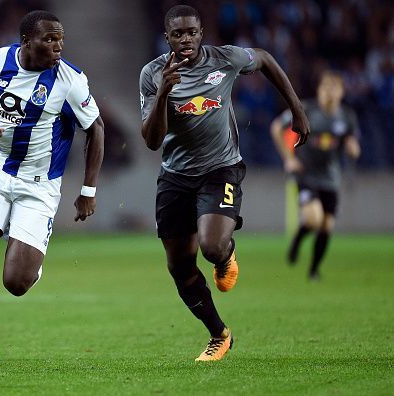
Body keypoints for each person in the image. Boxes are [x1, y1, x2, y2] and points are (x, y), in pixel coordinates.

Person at [139, 5, 310, 362]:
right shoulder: (154, 73)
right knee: (180, 268)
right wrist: (163, 94)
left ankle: (225, 253)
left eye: (191, 32)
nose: (185, 39)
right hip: (175, 175)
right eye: (177, 34)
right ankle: (219, 335)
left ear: (201, 33)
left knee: (212, 247)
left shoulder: (225, 59)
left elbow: (263, 59)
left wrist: (296, 108)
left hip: (221, 169)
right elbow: (152, 141)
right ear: (166, 37)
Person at [0, 10, 104, 337]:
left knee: (16, 283)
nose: (58, 46)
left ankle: (29, 259)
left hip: (38, 185)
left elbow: (96, 129)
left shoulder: (69, 82)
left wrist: (88, 191)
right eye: (49, 39)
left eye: (61, 39)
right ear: (27, 41)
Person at [270, 71, 361, 280]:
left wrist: (353, 149)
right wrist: (289, 158)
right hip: (306, 174)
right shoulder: (307, 109)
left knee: (327, 225)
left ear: (341, 92)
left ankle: (314, 270)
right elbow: (276, 127)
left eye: (334, 88)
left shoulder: (347, 116)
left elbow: (352, 144)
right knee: (313, 219)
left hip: (331, 177)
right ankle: (298, 240)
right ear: (319, 91)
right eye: (325, 88)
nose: (329, 93)